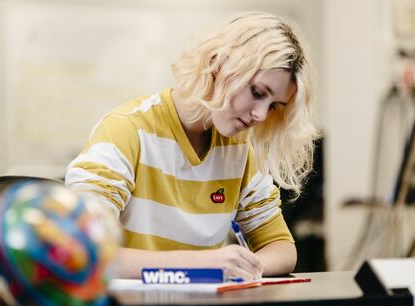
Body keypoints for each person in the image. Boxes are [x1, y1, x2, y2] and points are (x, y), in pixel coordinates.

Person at [65, 11, 319, 280]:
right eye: (257, 93)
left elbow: (281, 248)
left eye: (273, 106)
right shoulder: (126, 130)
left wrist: (242, 266)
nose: (261, 115)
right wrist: (204, 264)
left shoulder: (238, 150)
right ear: (218, 63)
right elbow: (83, 251)